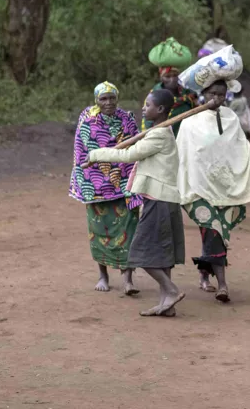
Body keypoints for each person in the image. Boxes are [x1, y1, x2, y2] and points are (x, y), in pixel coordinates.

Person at [176, 78, 250, 303]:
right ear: (203, 93)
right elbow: (182, 157)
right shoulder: (189, 122)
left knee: (217, 234)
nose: (217, 99)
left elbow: (244, 152)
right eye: (213, 93)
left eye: (222, 95)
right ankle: (223, 284)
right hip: (198, 187)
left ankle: (204, 274)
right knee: (213, 229)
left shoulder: (231, 118)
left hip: (226, 187)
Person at [85, 89, 186, 317]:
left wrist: (96, 155)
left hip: (159, 200)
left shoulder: (159, 135)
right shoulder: (158, 131)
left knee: (139, 253)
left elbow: (127, 155)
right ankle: (166, 304)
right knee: (162, 253)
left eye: (148, 104)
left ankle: (170, 290)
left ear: (160, 110)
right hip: (164, 199)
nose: (143, 108)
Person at [69, 82, 141, 294]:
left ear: (117, 98)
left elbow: (135, 147)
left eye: (111, 98)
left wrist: (131, 178)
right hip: (96, 185)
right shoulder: (87, 121)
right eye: (103, 98)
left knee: (129, 229)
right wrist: (87, 184)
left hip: (124, 183)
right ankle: (103, 275)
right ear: (96, 100)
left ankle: (127, 278)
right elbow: (82, 154)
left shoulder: (127, 119)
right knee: (99, 230)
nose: (108, 102)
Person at [145, 38, 198, 134]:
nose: (172, 80)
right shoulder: (154, 96)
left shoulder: (189, 94)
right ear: (161, 78)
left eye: (175, 75)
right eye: (167, 76)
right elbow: (148, 123)